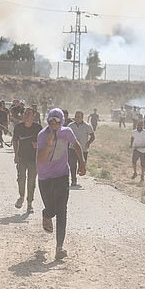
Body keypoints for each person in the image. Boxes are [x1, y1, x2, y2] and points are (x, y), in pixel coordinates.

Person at [37, 108, 86, 261]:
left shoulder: (67, 132)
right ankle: (46, 214)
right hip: (45, 177)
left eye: (57, 121)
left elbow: (76, 145)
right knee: (51, 210)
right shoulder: (42, 135)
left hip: (62, 175)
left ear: (62, 121)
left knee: (62, 210)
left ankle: (59, 247)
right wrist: (50, 144)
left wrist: (82, 163)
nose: (54, 124)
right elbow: (40, 159)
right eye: (51, 121)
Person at [12, 107, 43, 213]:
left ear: (34, 116)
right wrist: (15, 154)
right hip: (21, 157)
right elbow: (15, 141)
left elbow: (44, 143)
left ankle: (30, 203)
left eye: (29, 114)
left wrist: (38, 146)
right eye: (25, 113)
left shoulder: (38, 128)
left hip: (34, 159)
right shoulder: (18, 127)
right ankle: (21, 197)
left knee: (31, 181)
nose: (26, 115)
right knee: (21, 178)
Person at [68, 111, 95, 187]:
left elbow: (93, 136)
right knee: (72, 165)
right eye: (76, 116)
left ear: (82, 117)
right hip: (72, 148)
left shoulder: (87, 126)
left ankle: (80, 169)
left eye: (79, 117)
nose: (77, 118)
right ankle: (73, 180)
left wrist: (88, 143)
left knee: (82, 165)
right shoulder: (70, 126)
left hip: (83, 149)